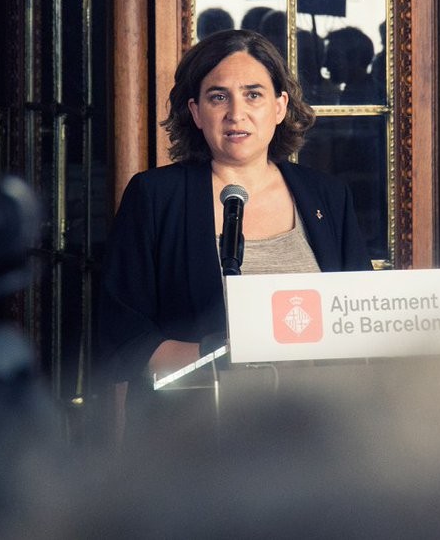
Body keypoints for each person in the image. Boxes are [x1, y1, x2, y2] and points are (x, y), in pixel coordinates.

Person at [96, 29, 372, 439]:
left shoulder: (327, 196)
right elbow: (123, 335)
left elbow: (361, 317)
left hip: (318, 437)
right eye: (218, 96)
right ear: (195, 110)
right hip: (192, 437)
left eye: (254, 95)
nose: (236, 114)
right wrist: (218, 356)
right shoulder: (155, 196)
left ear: (280, 107)